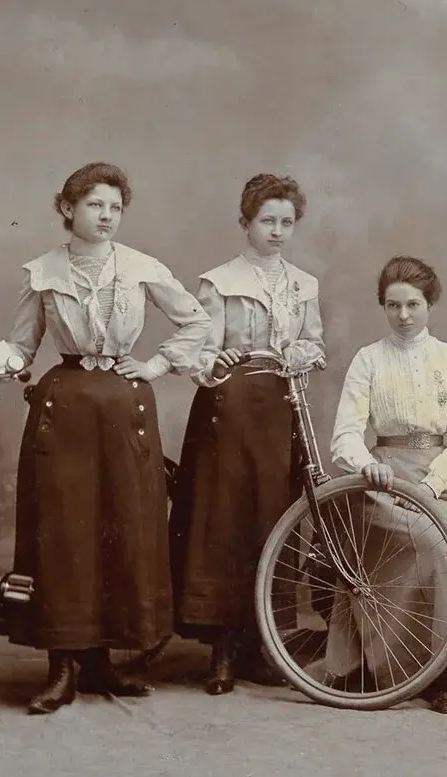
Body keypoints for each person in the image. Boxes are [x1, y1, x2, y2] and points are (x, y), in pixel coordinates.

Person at [0, 162, 211, 714]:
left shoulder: (142, 268)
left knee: (124, 528)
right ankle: (62, 668)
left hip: (124, 410)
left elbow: (198, 323)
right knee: (64, 535)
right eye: (96, 205)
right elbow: (20, 348)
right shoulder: (42, 273)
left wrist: (157, 365)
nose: (106, 217)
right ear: (68, 208)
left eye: (115, 208)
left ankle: (102, 662)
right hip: (64, 411)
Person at [168, 173, 325, 695]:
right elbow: (198, 353)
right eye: (267, 221)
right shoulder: (219, 282)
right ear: (246, 223)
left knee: (273, 520)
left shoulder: (304, 284)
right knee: (224, 523)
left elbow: (313, 344)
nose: (277, 231)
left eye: (286, 222)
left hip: (281, 413)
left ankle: (264, 645)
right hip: (228, 413)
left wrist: (297, 354)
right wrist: (219, 359)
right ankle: (221, 651)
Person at [327, 256, 447, 715]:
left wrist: (436, 482)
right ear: (383, 306)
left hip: (445, 478)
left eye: (413, 305)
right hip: (387, 479)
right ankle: (431, 674)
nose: (403, 316)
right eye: (392, 305)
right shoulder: (369, 359)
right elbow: (345, 433)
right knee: (435, 548)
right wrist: (368, 465)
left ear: (430, 304)